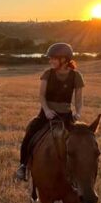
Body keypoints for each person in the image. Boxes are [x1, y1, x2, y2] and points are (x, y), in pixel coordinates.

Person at [15, 43, 84, 181]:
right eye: (50, 58)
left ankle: (80, 171)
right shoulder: (48, 74)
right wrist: (46, 111)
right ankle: (23, 165)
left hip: (66, 116)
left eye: (53, 58)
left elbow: (78, 98)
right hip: (47, 114)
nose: (50, 61)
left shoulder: (76, 76)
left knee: (82, 141)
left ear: (64, 59)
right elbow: (41, 95)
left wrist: (78, 113)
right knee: (30, 133)